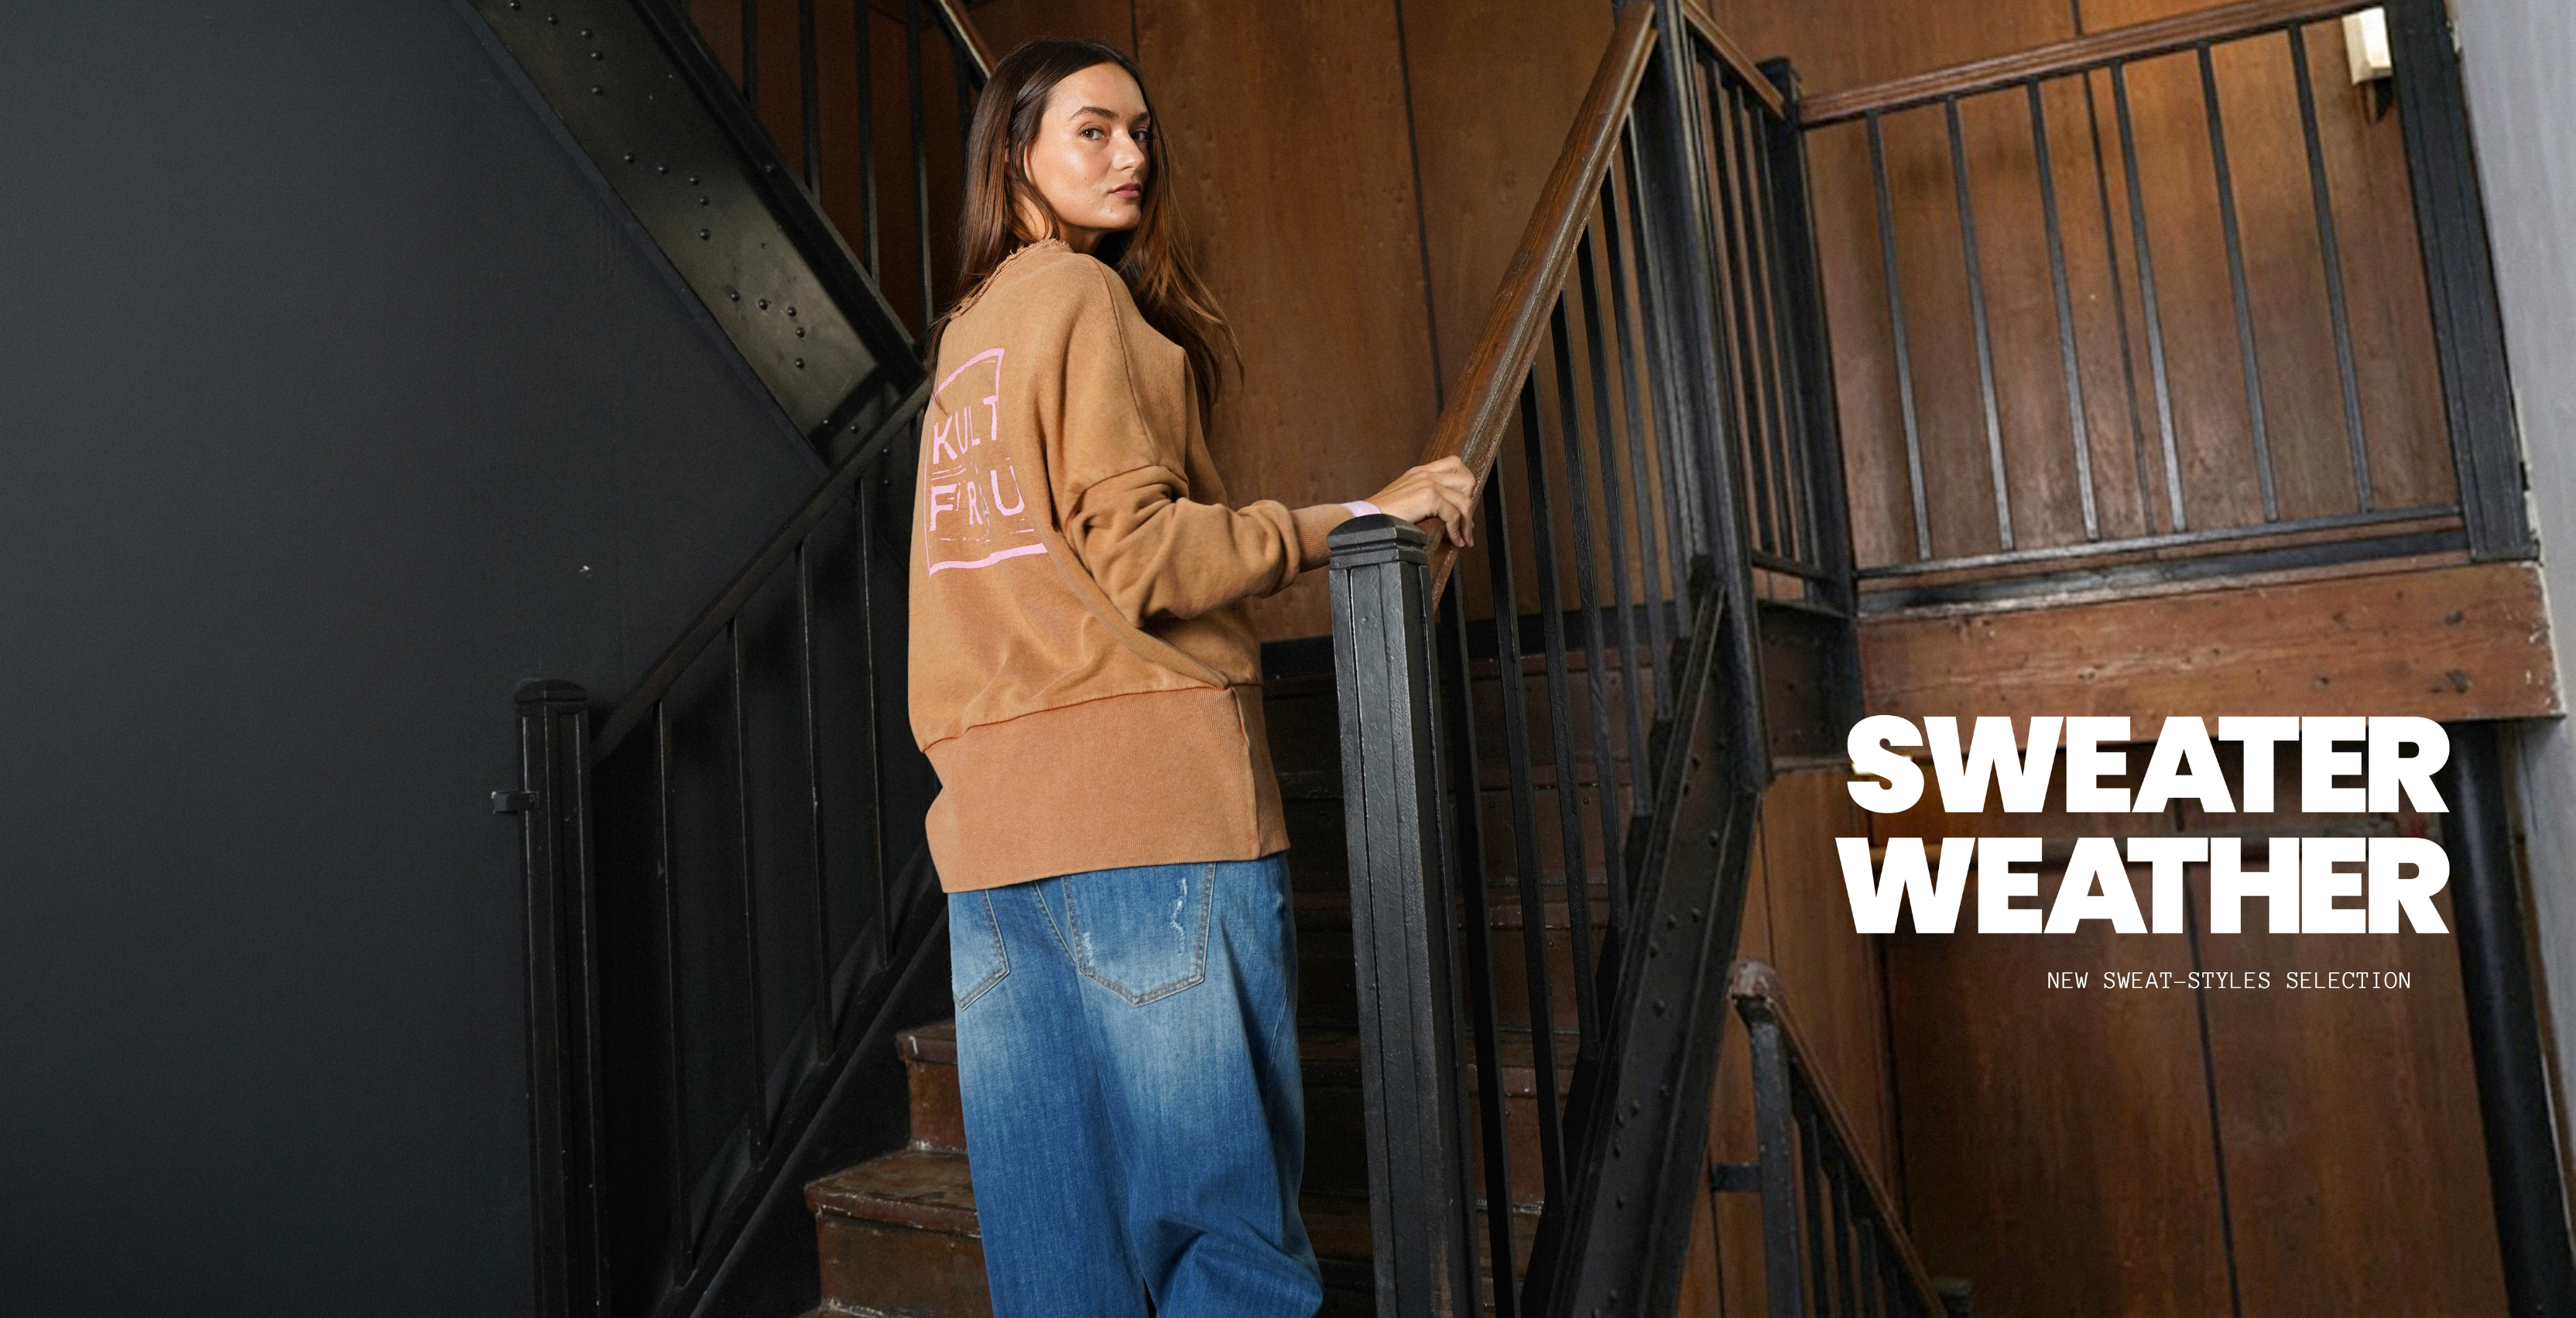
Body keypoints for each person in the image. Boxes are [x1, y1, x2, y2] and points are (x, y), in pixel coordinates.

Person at [903, 35, 1477, 1318]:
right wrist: (1358, 516)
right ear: (1016, 156)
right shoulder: (1082, 298)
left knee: (1060, 1272)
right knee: (1225, 1258)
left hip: (993, 850)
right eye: (1095, 131)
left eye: (1144, 133)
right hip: (1150, 821)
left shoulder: (966, 342)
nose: (1134, 157)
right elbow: (1145, 554)